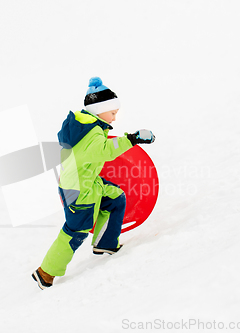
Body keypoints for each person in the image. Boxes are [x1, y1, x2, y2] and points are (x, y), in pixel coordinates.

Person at [32, 77, 155, 290]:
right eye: (113, 113)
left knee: (115, 197)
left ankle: (105, 243)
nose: (115, 118)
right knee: (75, 232)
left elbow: (98, 147)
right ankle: (46, 272)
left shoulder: (85, 124)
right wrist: (133, 138)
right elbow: (106, 150)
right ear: (100, 110)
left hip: (87, 182)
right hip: (79, 190)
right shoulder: (92, 132)